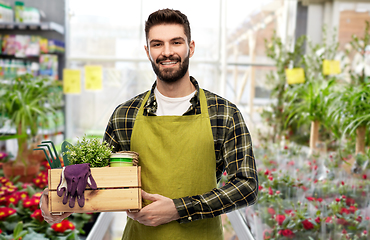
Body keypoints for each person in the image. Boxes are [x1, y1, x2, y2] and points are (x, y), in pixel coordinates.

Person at [40, 8, 258, 240]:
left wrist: (179, 209)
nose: (167, 52)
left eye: (176, 42)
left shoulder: (223, 113)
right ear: (147, 51)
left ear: (190, 48)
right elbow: (99, 179)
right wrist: (60, 197)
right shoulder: (125, 115)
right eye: (157, 44)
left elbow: (246, 186)